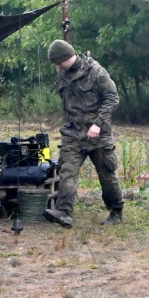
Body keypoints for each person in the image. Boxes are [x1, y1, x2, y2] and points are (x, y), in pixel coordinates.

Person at [43, 39, 124, 228]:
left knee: (107, 175)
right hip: (72, 134)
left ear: (67, 57)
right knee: (67, 172)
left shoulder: (96, 71)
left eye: (58, 62)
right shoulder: (63, 74)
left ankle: (116, 211)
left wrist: (98, 124)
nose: (57, 66)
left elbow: (112, 98)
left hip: (98, 136)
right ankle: (64, 213)